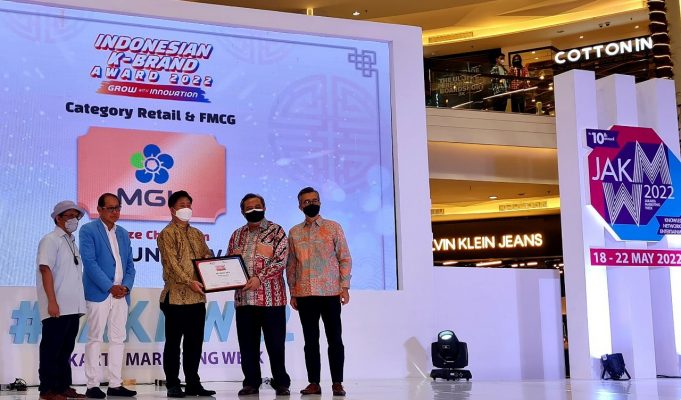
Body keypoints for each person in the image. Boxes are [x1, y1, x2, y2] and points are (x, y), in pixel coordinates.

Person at [287, 187, 352, 397]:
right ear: (300, 206)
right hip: (305, 294)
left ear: (320, 202)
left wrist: (344, 287)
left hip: (330, 292)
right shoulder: (294, 232)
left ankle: (337, 383)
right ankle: (314, 383)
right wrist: (293, 292)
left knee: (335, 340)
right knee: (310, 341)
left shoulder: (333, 227)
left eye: (314, 200)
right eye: (306, 202)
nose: (311, 204)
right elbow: (291, 265)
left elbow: (344, 258)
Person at [229, 193, 291, 396]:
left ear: (264, 207)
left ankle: (281, 382)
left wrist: (259, 278)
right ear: (242, 211)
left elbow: (281, 260)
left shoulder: (276, 231)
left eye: (257, 206)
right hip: (244, 300)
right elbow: (229, 263)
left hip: (272, 299)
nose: (253, 209)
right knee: (247, 345)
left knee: (275, 344)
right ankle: (251, 382)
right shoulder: (237, 235)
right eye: (249, 207)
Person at [157, 191, 215, 398]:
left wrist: (211, 263)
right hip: (175, 297)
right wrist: (190, 281)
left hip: (197, 297)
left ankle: (193, 383)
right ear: (172, 209)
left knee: (194, 343)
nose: (187, 208)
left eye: (189, 204)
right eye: (182, 205)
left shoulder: (197, 233)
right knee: (173, 344)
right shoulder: (167, 234)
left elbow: (207, 256)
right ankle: (173, 384)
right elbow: (171, 265)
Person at [79, 193, 136, 399]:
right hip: (99, 293)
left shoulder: (123, 233)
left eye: (117, 208)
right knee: (94, 338)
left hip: (121, 294)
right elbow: (89, 263)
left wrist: (125, 287)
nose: (115, 212)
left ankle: (115, 384)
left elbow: (130, 265)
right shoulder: (88, 230)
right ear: (99, 209)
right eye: (111, 208)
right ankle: (92, 384)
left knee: (118, 339)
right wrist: (110, 287)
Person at [37, 201, 87, 400]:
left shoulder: (71, 241)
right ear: (58, 218)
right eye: (69, 216)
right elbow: (45, 269)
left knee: (66, 349)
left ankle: (63, 386)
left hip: (73, 306)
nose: (74, 220)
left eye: (76, 216)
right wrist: (52, 301)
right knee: (52, 349)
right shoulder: (50, 240)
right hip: (57, 305)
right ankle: (48, 389)